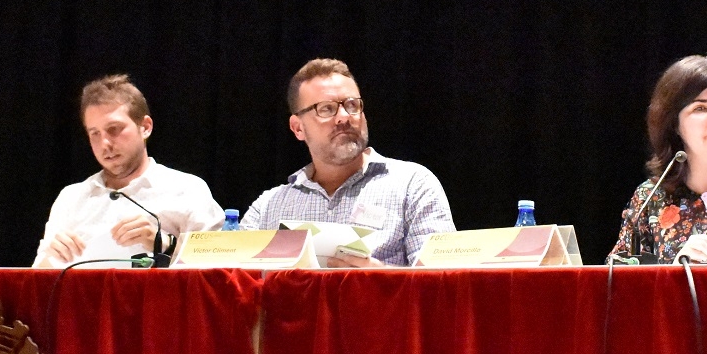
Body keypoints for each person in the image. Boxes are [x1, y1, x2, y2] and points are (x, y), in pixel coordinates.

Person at [240, 58, 454, 266]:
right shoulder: (269, 206)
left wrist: (381, 278)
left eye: (352, 105)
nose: (344, 117)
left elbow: (443, 281)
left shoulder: (413, 185)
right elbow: (236, 278)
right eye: (326, 108)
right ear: (298, 128)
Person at [34, 74, 224, 267]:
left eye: (114, 129)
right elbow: (34, 279)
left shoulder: (187, 190)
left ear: (145, 127)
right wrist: (51, 260)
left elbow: (219, 269)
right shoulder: (71, 198)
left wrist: (165, 244)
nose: (105, 143)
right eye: (95, 133)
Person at [609, 55, 707, 264]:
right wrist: (676, 273)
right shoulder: (650, 198)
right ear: (674, 124)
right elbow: (616, 279)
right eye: (701, 108)